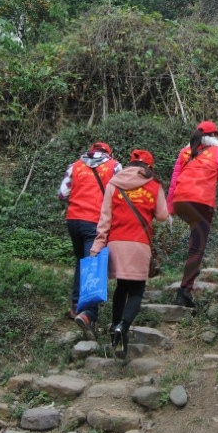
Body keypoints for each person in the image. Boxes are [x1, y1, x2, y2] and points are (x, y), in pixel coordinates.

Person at [89, 150, 169, 357]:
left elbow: (105, 218)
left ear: (130, 164)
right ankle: (122, 326)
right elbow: (162, 215)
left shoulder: (114, 183)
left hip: (116, 244)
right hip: (139, 244)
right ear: (149, 167)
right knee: (136, 291)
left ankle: (117, 336)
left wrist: (97, 246)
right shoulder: (154, 185)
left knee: (121, 288)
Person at [167, 120, 218, 308]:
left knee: (194, 244)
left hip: (181, 202)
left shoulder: (184, 152)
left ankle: (185, 286)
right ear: (213, 136)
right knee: (197, 247)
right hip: (201, 203)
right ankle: (184, 291)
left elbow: (174, 181)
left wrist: (169, 209)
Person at [58, 142, 122, 335]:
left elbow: (62, 194)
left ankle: (76, 305)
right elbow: (121, 193)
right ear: (108, 153)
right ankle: (88, 314)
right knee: (94, 267)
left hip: (73, 221)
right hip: (94, 221)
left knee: (81, 261)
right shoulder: (114, 166)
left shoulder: (75, 165)